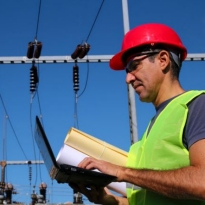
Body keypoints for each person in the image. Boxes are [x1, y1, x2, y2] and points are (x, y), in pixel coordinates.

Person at [69, 23, 205, 205]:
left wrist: (123, 172)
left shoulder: (196, 106)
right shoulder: (151, 129)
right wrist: (107, 200)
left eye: (135, 66)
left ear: (163, 60)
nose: (128, 78)